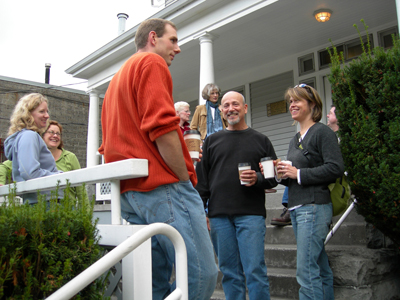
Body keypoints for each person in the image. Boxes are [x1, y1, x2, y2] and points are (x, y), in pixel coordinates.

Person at [98, 18, 217, 300]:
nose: (178, 48)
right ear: (153, 37)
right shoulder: (151, 63)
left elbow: (109, 144)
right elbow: (162, 129)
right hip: (162, 187)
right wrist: (183, 178)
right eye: (173, 40)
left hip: (131, 196)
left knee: (154, 279)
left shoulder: (117, 79)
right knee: (202, 273)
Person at [196, 91, 277, 300]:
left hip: (250, 214)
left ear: (245, 108)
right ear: (221, 111)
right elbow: (202, 182)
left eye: (235, 104)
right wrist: (202, 211)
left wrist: (257, 178)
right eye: (226, 105)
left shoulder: (261, 140)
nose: (230, 108)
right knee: (230, 273)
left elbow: (273, 178)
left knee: (255, 271)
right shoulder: (212, 141)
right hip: (219, 216)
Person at [275, 84, 344, 300]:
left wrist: (298, 173)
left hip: (314, 207)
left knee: (306, 270)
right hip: (297, 208)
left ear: (312, 104)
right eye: (290, 102)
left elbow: (335, 168)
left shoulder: (322, 132)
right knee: (319, 268)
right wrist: (282, 174)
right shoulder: (295, 139)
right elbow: (296, 178)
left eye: (297, 101)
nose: (292, 105)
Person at [4, 93, 62, 204]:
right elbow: (30, 172)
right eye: (42, 111)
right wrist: (59, 175)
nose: (47, 115)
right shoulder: (29, 136)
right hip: (44, 203)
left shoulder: (26, 136)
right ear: (28, 114)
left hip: (39, 202)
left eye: (47, 111)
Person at [42, 120, 86, 200]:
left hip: (68, 209)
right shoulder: (37, 158)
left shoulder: (70, 157)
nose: (55, 136)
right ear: (43, 135)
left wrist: (86, 211)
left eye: (58, 134)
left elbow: (81, 189)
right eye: (51, 132)